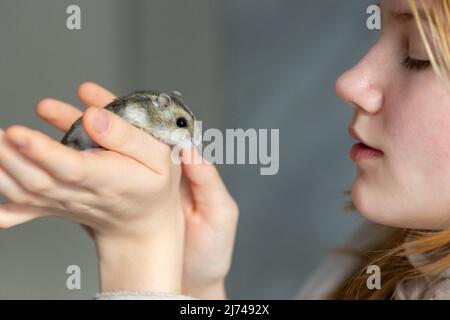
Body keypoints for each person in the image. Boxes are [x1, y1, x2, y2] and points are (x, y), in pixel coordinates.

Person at [1, 0, 450, 300]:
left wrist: (139, 246)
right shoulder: (393, 251)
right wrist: (195, 284)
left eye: (416, 54)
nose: (349, 82)